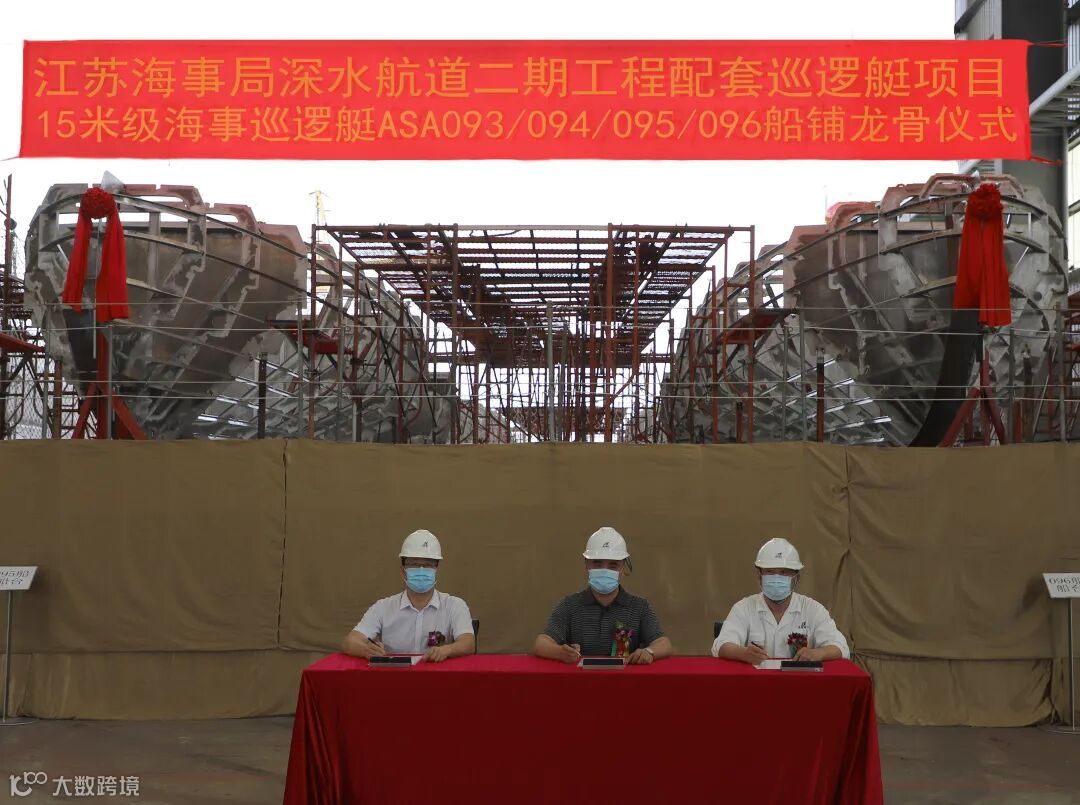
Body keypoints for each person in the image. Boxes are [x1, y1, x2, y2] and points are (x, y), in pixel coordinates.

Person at [534, 527, 673, 665]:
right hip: (581, 678)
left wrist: (648, 652)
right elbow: (541, 643)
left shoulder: (639, 607)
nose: (605, 570)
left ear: (623, 567)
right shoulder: (569, 605)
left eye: (613, 565)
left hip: (625, 678)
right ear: (586, 564)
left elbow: (664, 643)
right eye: (598, 563)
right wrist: (559, 652)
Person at [342, 529, 475, 663]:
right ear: (403, 571)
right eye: (414, 564)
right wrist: (366, 650)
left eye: (428, 564)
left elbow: (468, 643)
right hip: (395, 674)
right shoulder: (382, 608)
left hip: (439, 675)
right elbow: (350, 641)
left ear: (437, 571)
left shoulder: (455, 605)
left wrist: (448, 649)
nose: (421, 570)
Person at [711, 537, 849, 663]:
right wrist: (743, 653)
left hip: (800, 681)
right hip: (755, 681)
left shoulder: (813, 609)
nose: (776, 578)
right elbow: (721, 645)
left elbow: (840, 647)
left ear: (796, 578)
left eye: (784, 572)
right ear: (759, 576)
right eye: (770, 571)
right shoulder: (743, 607)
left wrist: (817, 653)